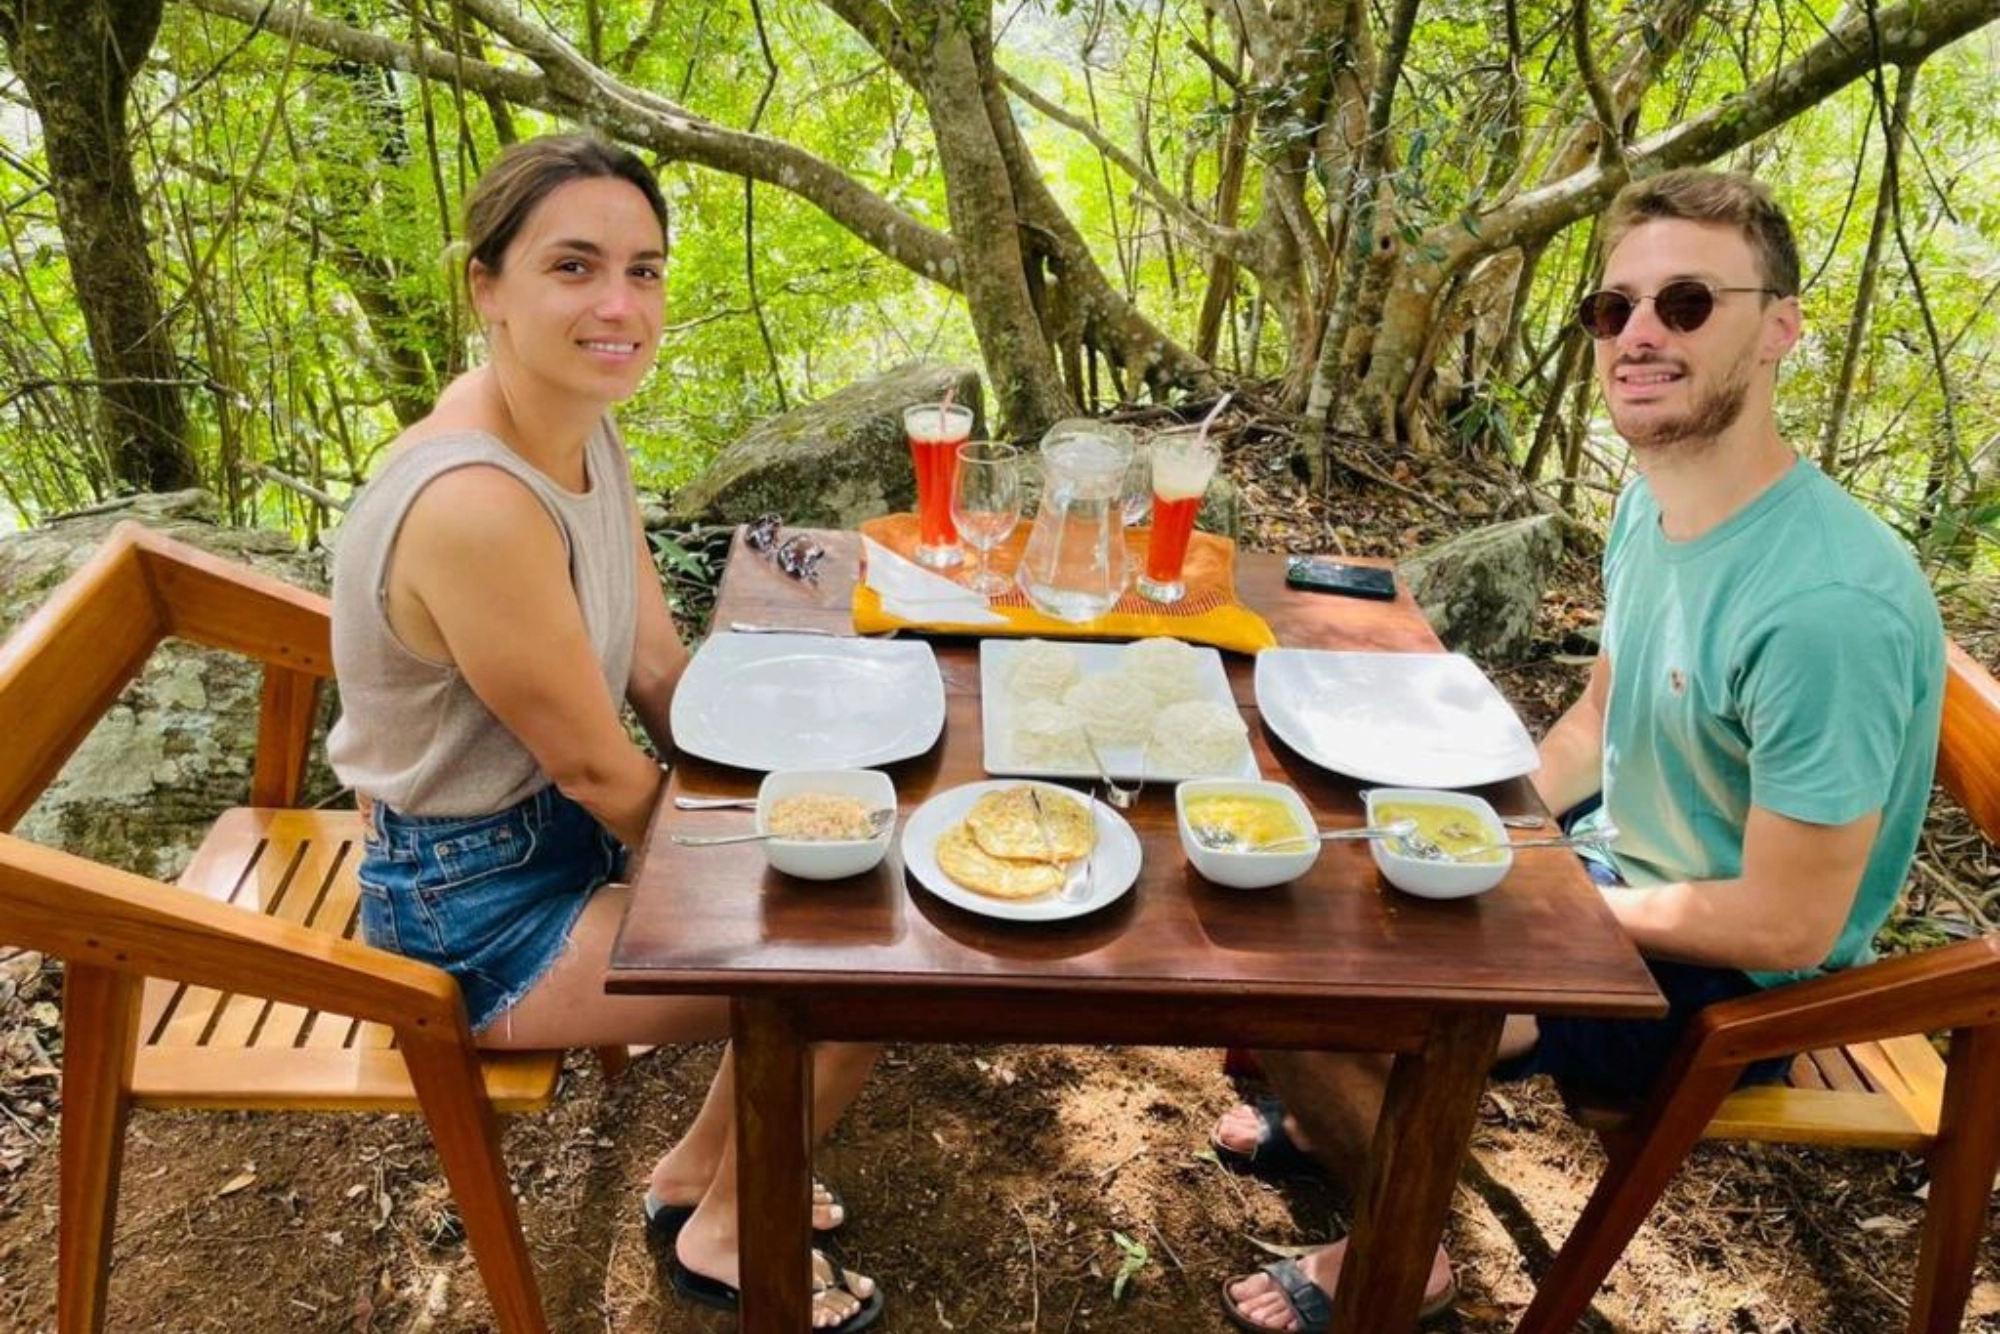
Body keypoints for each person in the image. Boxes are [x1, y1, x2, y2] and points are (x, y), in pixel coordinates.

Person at [1211, 168, 1947, 1332]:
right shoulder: (1650, 503)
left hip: (1732, 981)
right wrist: (1485, 820)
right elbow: (1598, 719)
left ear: (1779, 329)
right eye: (1614, 309)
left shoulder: (1822, 605)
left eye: (1687, 302)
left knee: (1297, 979)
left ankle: (1402, 1256)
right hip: (1615, 875)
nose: (1639, 334)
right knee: (1311, 867)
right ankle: (1331, 1117)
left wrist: (1537, 892)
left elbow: (1786, 925)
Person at [327, 135, 883, 1332]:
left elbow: (653, 665)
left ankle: (695, 1177)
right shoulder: (474, 502)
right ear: (485, 284)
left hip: (552, 841)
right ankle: (733, 1233)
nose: (621, 305)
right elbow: (598, 770)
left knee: (832, 909)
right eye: (574, 267)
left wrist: (805, 771)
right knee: (854, 975)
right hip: (471, 908)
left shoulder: (577, 424)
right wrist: (780, 862)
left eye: (646, 268)